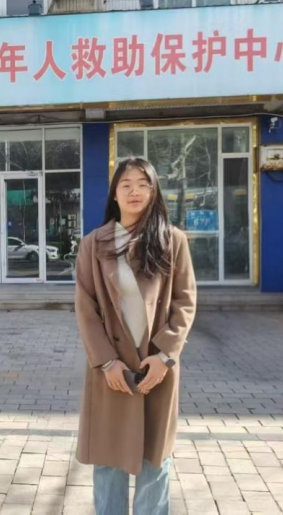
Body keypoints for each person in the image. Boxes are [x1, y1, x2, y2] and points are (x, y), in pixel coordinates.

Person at [75, 158, 197, 515]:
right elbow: (86, 309)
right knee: (108, 461)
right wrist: (106, 362)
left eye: (143, 184)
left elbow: (185, 301)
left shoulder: (172, 241)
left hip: (155, 367)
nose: (134, 192)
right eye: (126, 184)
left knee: (155, 463)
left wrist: (165, 355)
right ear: (114, 193)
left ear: (154, 191)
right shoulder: (93, 244)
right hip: (111, 369)